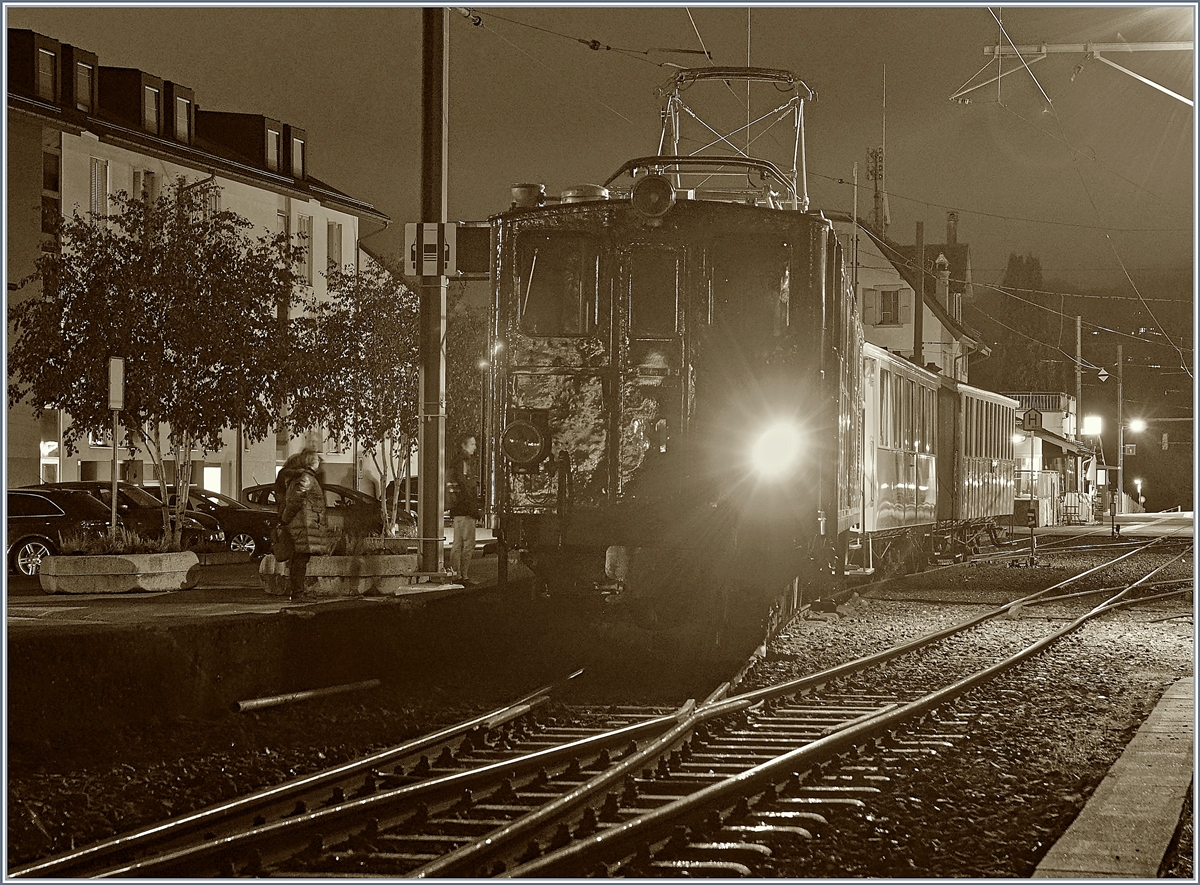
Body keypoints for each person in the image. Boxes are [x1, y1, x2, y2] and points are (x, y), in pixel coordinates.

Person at [278, 448, 328, 599]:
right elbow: (294, 501)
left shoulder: (306, 478)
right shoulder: (306, 478)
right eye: (317, 460)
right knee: (300, 558)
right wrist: (284, 520)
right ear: (312, 462)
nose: (319, 462)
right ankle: (298, 592)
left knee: (301, 558)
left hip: (305, 523)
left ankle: (299, 591)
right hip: (303, 525)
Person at [448, 434, 481, 584]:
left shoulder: (457, 461)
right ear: (464, 445)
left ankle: (457, 574)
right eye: (472, 444)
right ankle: (461, 575)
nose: (475, 447)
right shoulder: (463, 461)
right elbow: (465, 485)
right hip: (465, 509)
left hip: (459, 508)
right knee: (467, 543)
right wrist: (473, 507)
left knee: (459, 543)